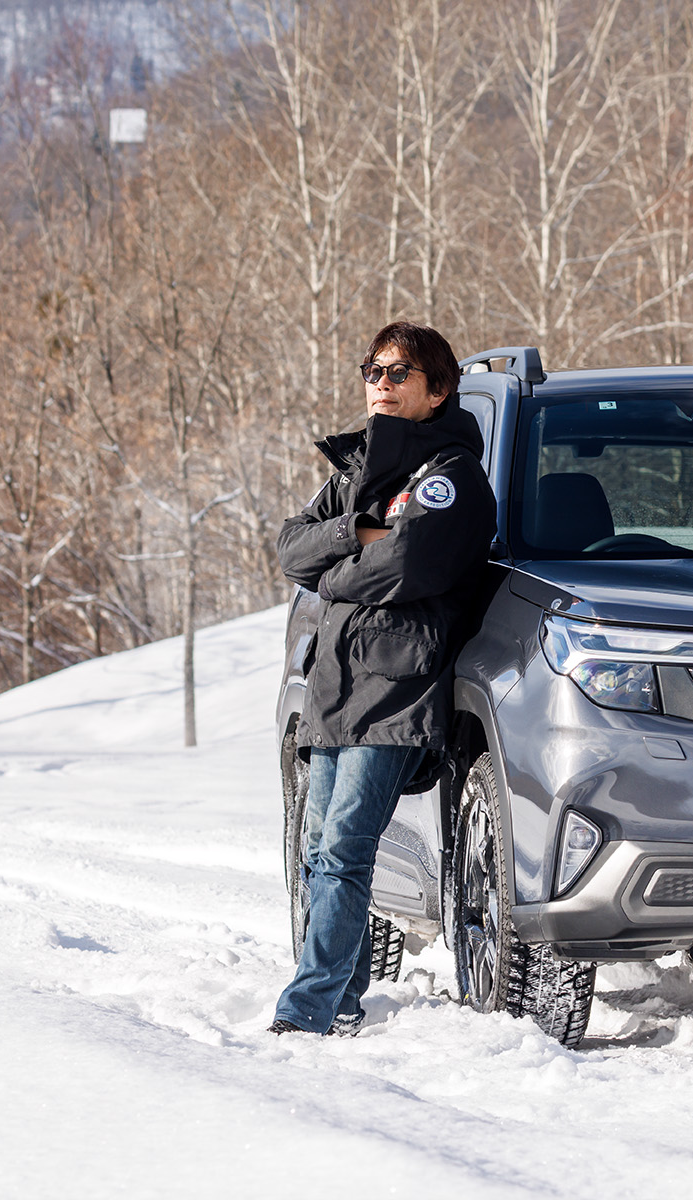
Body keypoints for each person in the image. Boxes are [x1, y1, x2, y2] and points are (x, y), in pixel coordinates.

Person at [269, 321, 494, 1037]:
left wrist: (338, 573)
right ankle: (341, 995)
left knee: (342, 852)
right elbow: (291, 549)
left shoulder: (450, 478)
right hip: (336, 685)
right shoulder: (357, 468)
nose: (382, 384)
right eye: (374, 370)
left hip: (397, 688)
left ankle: (307, 1008)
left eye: (400, 374)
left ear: (439, 391)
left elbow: (405, 566)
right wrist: (352, 535)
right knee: (316, 851)